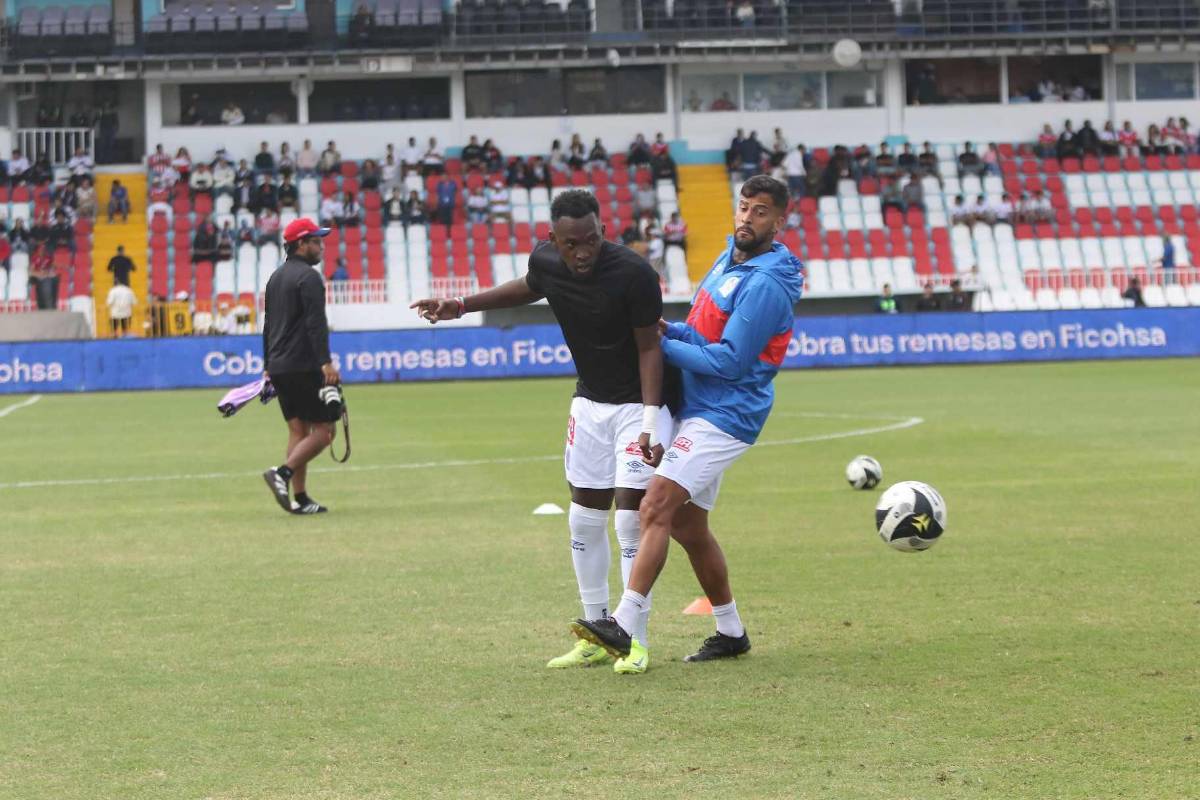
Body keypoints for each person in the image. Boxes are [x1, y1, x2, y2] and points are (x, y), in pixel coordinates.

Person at [411, 189, 675, 675]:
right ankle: (596, 636)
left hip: (637, 407)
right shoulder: (547, 261)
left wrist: (650, 421)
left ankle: (634, 639)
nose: (583, 252)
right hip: (589, 404)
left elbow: (648, 348)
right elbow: (530, 285)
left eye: (591, 240)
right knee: (583, 520)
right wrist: (460, 305)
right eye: (571, 244)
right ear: (553, 239)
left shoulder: (634, 274)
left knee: (629, 521)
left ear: (603, 232)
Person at [569, 175, 802, 668]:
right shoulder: (729, 258)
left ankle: (622, 624)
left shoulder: (765, 283)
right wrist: (670, 329)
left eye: (760, 211)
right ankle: (731, 631)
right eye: (744, 206)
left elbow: (731, 362)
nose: (747, 217)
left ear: (780, 221)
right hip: (698, 406)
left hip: (726, 414)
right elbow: (702, 334)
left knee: (654, 504)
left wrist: (656, 345)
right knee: (689, 526)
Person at [261, 218, 342, 516]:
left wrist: (267, 364)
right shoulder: (309, 277)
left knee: (298, 430)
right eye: (316, 241)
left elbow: (268, 326)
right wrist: (325, 362)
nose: (321, 246)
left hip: (279, 365)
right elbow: (315, 324)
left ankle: (300, 498)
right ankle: (282, 473)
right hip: (304, 364)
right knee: (325, 430)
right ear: (300, 244)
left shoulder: (275, 278)